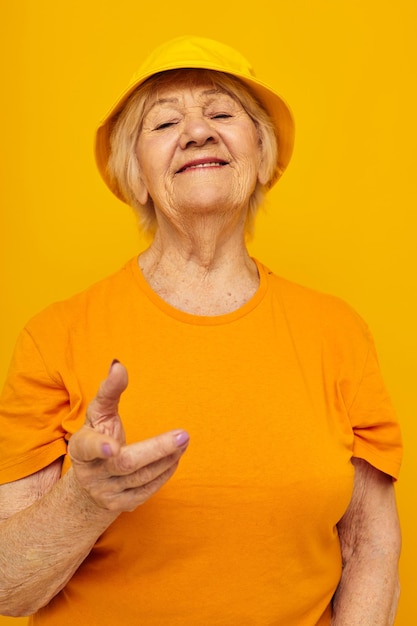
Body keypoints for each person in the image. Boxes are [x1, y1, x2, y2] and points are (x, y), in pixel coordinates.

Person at [0, 36, 402, 625]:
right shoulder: (55, 335)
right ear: (133, 174)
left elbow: (370, 549)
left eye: (221, 113)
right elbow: (9, 591)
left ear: (261, 155)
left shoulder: (339, 333)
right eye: (164, 123)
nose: (197, 131)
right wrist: (84, 501)